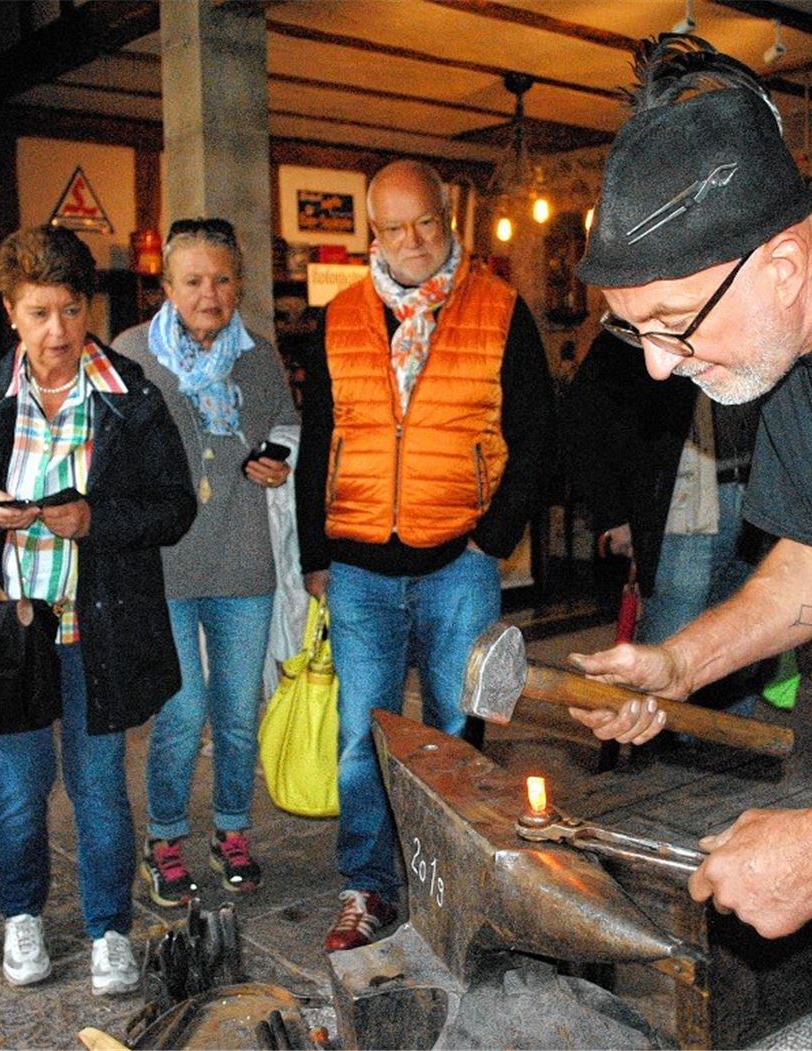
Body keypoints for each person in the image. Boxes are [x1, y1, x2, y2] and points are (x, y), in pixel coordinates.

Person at [567, 37, 812, 1049]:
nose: (658, 368)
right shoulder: (787, 347)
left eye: (671, 323)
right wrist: (680, 663)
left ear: (780, 263)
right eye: (635, 331)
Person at [296, 159, 554, 952]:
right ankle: (368, 885)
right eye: (393, 227)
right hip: (359, 565)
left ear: (450, 219)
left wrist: (491, 538)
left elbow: (539, 438)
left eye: (426, 223)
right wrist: (314, 552)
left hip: (458, 562)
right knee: (361, 739)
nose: (412, 241)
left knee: (456, 733)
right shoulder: (339, 316)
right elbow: (318, 441)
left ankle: (455, 882)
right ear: (372, 233)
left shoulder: (500, 309)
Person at [0, 225, 196, 995]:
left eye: (70, 310)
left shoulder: (130, 396)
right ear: (10, 312)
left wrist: (96, 519)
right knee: (18, 790)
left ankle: (109, 930)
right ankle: (21, 916)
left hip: (99, 625)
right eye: (38, 313)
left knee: (98, 787)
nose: (57, 331)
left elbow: (174, 507)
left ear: (89, 306)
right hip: (11, 630)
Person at [113, 217, 298, 906]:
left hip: (243, 561)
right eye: (192, 280)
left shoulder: (261, 358)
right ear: (166, 286)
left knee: (239, 712)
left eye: (222, 279)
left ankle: (231, 830)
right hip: (162, 567)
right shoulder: (131, 353)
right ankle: (164, 838)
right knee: (184, 712)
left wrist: (280, 460)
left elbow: (287, 427)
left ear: (239, 284)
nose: (208, 294)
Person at [565, 331, 767, 721]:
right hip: (683, 505)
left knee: (747, 631)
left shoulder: (739, 317)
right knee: (671, 638)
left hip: (756, 495)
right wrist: (614, 514)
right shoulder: (635, 327)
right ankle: (665, 738)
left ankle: (732, 738)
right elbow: (581, 422)